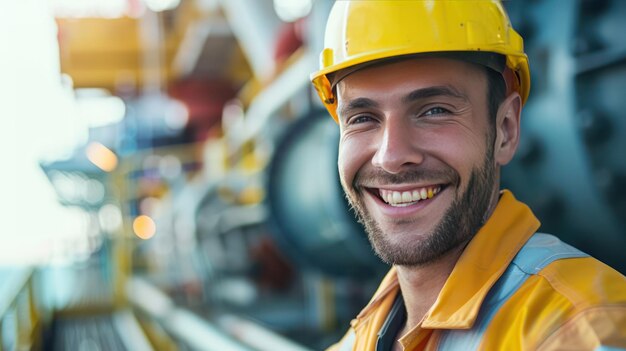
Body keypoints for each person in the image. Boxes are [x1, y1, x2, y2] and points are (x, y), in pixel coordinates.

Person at [309, 1, 626, 350]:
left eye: (433, 111)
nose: (392, 157)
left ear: (505, 130)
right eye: (362, 117)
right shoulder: (365, 336)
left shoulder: (581, 328)